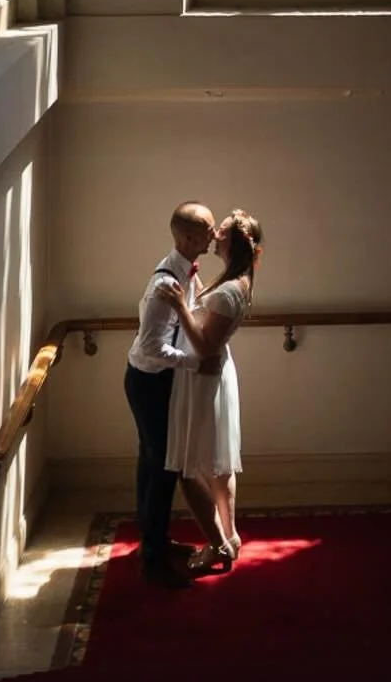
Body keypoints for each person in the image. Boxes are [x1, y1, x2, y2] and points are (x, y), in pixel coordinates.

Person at [159, 208, 263, 575]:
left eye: (221, 230)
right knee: (219, 464)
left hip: (204, 378)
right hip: (216, 375)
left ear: (232, 242)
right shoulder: (236, 279)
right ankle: (230, 534)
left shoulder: (232, 289)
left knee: (188, 470)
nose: (214, 233)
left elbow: (204, 345)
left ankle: (219, 545)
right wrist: (196, 291)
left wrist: (177, 305)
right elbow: (211, 309)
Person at [124, 201, 217, 588]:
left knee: (152, 463)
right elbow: (151, 348)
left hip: (157, 381)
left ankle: (155, 541)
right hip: (149, 383)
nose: (213, 235)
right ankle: (153, 562)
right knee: (162, 469)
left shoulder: (187, 273)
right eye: (207, 229)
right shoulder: (167, 283)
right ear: (185, 237)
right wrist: (197, 364)